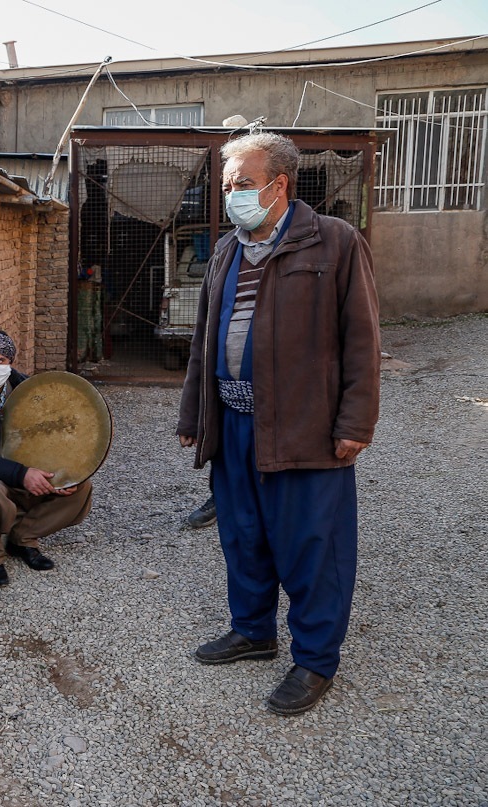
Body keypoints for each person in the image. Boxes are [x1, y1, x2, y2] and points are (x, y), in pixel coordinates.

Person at [177, 133, 380, 715]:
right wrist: (195, 413)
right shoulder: (227, 249)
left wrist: (355, 422)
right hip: (234, 424)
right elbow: (203, 340)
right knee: (243, 536)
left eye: (242, 183)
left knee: (313, 545)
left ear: (279, 185)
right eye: (227, 185)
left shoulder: (334, 241)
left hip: (304, 427)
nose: (231, 195)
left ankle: (315, 660)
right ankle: (253, 631)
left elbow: (362, 339)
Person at [0, 329, 94, 587]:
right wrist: (21, 474)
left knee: (79, 487)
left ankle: (22, 537)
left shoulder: (28, 389)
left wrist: (60, 471)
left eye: (0, 360)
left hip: (23, 466)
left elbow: (47, 435)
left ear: (10, 360)